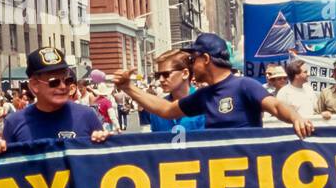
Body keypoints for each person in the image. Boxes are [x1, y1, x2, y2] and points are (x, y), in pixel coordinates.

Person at [115, 33, 312, 137]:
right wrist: (128, 88)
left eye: (193, 59)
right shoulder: (204, 96)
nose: (191, 65)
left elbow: (276, 106)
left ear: (206, 59)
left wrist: (296, 118)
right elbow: (166, 110)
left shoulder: (244, 85)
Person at [2, 48, 113, 144]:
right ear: (35, 85)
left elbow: (103, 162)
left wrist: (103, 141)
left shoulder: (87, 116)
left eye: (67, 80)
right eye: (54, 82)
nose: (63, 86)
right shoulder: (14, 123)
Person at [148, 49, 206, 134]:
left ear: (185, 73)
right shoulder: (157, 109)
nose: (161, 79)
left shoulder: (206, 105)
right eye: (157, 75)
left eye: (166, 74)